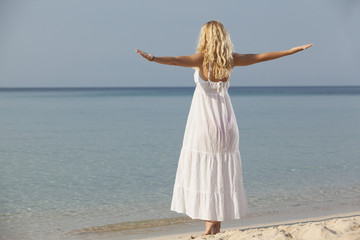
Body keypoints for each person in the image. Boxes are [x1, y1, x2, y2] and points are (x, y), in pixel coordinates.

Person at [136, 20, 312, 236]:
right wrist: (290, 51)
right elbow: (260, 57)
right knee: (219, 171)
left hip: (204, 124)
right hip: (227, 123)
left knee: (205, 171)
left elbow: (174, 61)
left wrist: (153, 58)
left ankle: (210, 226)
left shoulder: (200, 59)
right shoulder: (231, 60)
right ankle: (215, 225)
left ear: (205, 37)